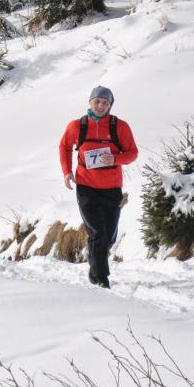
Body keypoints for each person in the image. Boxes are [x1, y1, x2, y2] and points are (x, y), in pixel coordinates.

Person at [59, 86, 139, 289]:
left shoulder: (119, 127)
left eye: (105, 102)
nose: (101, 105)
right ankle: (100, 278)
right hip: (86, 186)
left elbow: (133, 153)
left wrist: (115, 158)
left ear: (110, 105)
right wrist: (67, 171)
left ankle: (96, 261)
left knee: (109, 235)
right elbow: (65, 146)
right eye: (97, 101)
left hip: (111, 187)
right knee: (97, 233)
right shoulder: (77, 125)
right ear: (90, 102)